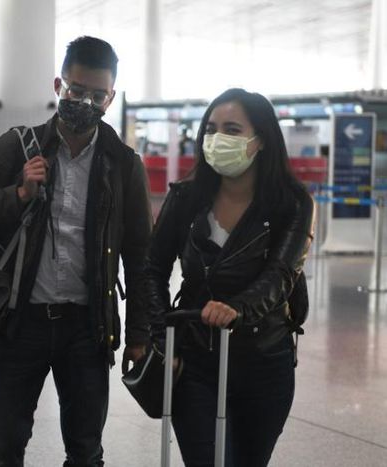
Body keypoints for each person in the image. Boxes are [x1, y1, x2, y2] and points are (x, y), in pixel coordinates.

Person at [0, 36, 152, 466]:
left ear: (110, 98)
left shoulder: (123, 164)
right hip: (22, 320)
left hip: (88, 327)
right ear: (58, 85)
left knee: (85, 449)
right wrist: (19, 193)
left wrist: (138, 335)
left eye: (97, 95)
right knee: (3, 445)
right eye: (77, 91)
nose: (86, 101)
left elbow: (139, 255)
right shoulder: (19, 146)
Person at [145, 88, 314, 466]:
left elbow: (281, 275)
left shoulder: (293, 203)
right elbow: (151, 269)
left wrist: (236, 309)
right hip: (195, 360)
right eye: (211, 128)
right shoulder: (186, 198)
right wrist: (161, 340)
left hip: (265, 359)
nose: (218, 138)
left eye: (233, 130)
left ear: (262, 141)